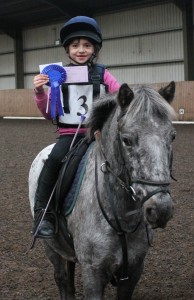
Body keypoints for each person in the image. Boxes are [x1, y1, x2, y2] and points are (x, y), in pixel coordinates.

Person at [33, 16, 120, 239]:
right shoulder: (57, 76)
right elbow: (49, 114)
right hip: (70, 135)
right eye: (75, 45)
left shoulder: (103, 74)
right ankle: (44, 214)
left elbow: (120, 98)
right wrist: (40, 93)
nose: (81, 50)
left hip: (98, 134)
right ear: (68, 50)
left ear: (94, 49)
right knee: (53, 161)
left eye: (87, 45)